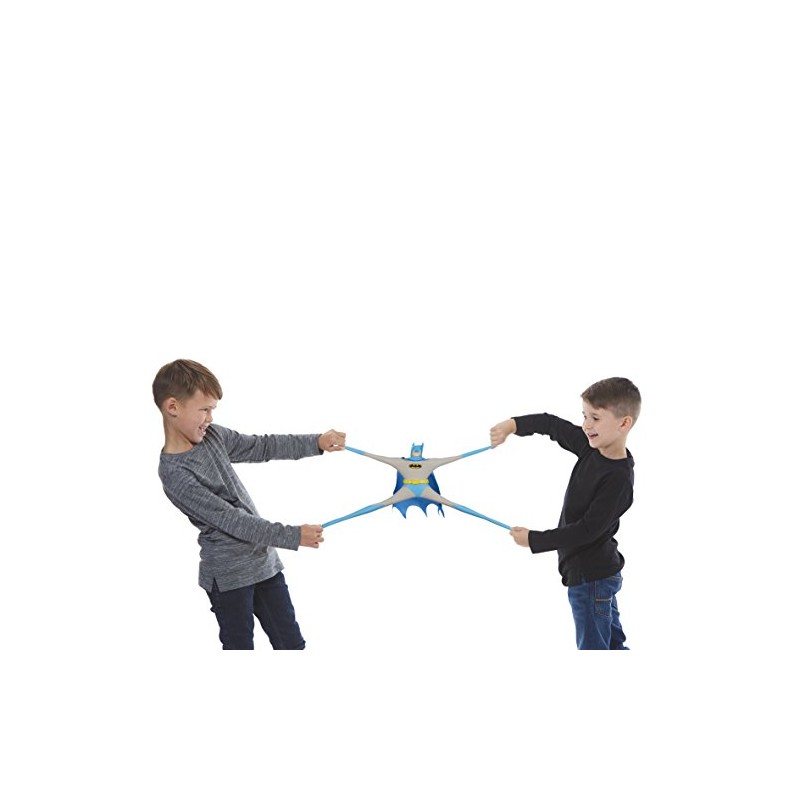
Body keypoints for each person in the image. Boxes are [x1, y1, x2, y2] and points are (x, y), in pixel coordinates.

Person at [153, 359, 345, 650]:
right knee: (240, 648)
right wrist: (293, 535)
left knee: (291, 644)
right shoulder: (174, 473)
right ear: (173, 407)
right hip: (229, 579)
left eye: (213, 410)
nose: (210, 418)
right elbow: (232, 520)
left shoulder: (213, 437)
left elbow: (262, 446)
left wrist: (316, 442)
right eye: (204, 409)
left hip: (264, 564)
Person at [490, 377, 640, 650]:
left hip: (592, 580)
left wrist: (534, 539)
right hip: (595, 577)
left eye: (595, 418)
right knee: (611, 645)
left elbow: (586, 531)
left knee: (594, 649)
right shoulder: (591, 448)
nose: (586, 425)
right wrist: (513, 425)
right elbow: (552, 425)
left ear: (624, 423)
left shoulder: (618, 480)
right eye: (585, 416)